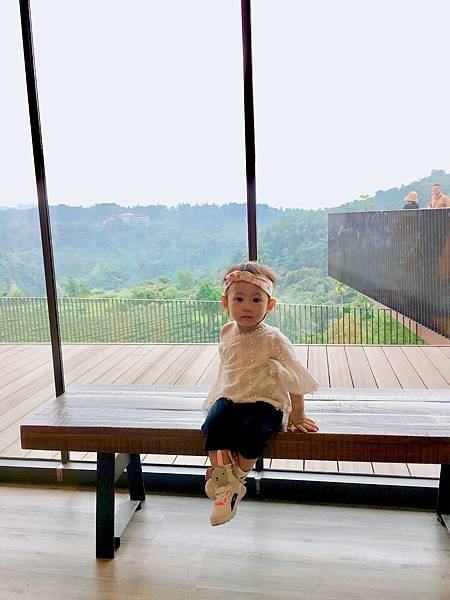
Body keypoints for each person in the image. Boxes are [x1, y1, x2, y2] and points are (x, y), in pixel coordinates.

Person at [201, 261, 319, 526]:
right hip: (231, 397)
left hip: (265, 401)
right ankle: (225, 483)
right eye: (239, 299)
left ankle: (233, 481)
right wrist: (219, 395)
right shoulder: (227, 331)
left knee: (254, 432)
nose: (247, 307)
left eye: (256, 300)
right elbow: (227, 367)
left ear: (270, 305)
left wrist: (298, 414)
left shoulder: (273, 339)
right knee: (213, 424)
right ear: (225, 302)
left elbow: (294, 375)